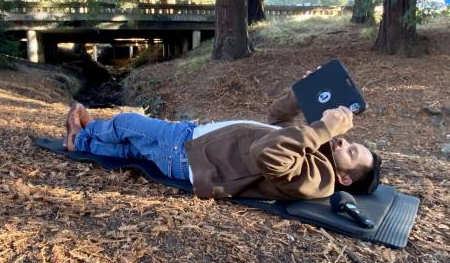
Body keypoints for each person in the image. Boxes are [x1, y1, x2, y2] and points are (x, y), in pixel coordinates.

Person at [63, 89, 382, 201]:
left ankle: (86, 134)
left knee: (125, 124)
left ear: (345, 178)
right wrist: (301, 96)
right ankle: (83, 140)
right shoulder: (314, 151)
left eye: (351, 152)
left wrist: (325, 127)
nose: (344, 142)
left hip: (190, 154)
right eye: (351, 143)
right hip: (196, 139)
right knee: (130, 151)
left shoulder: (319, 181)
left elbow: (267, 152)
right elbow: (276, 120)